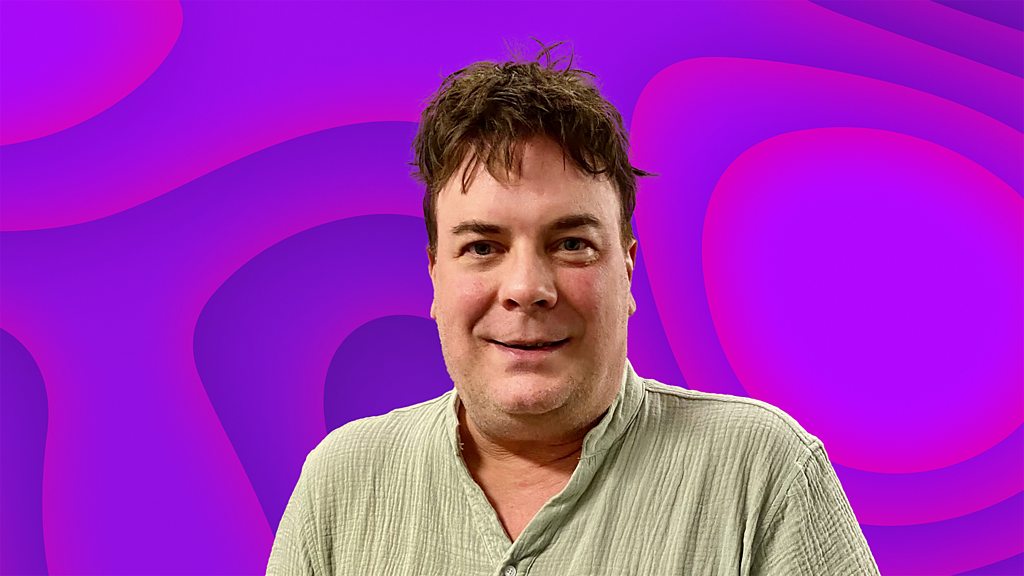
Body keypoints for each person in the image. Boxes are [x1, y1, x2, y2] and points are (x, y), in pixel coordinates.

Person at [267, 42, 880, 575]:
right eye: (482, 247)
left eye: (570, 244)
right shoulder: (341, 486)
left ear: (628, 270)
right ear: (434, 275)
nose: (527, 288)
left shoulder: (763, 474)